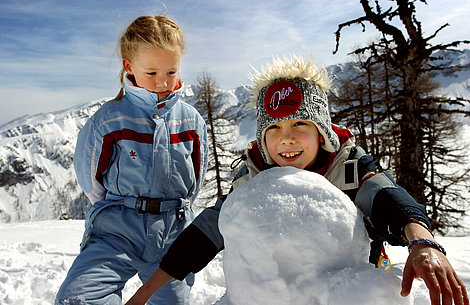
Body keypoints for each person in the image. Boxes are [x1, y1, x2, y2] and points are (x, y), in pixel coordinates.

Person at [126, 56, 468, 305]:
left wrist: (422, 243)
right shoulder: (253, 176)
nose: (285, 139)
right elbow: (205, 235)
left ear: (321, 133)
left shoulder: (346, 165)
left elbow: (388, 198)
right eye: (273, 129)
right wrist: (142, 295)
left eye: (299, 125)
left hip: (350, 285)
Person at [55, 15, 208, 305]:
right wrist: (122, 207)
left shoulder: (191, 120)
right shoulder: (110, 119)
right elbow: (91, 179)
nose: (162, 82)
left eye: (171, 72)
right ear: (129, 66)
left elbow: (195, 178)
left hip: (172, 235)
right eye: (151, 73)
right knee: (78, 299)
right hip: (117, 231)